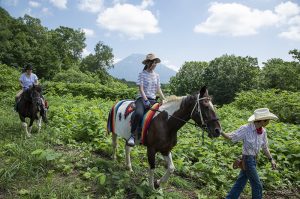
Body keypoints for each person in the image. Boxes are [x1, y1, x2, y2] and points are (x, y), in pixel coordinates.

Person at [221, 108, 278, 199]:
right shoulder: (246, 129)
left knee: (241, 182)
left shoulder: (263, 131)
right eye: (268, 120)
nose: (269, 122)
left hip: (253, 160)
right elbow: (231, 137)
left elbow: (265, 147)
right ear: (263, 120)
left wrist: (271, 159)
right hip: (247, 160)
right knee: (257, 185)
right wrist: (220, 131)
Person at [127, 53, 166, 146]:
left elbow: (158, 89)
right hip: (142, 98)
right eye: (153, 62)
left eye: (156, 62)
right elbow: (141, 89)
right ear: (148, 63)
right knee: (139, 113)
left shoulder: (157, 75)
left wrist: (164, 99)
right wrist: (145, 100)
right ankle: (132, 135)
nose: (155, 64)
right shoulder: (142, 74)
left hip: (153, 99)